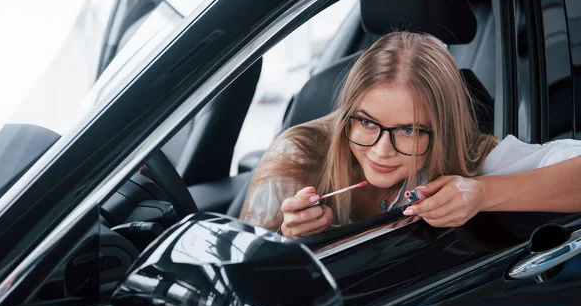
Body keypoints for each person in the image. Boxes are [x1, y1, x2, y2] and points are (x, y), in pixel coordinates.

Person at [240, 32, 581, 239]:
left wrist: (481, 193)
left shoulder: (471, 159)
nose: (380, 151)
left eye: (408, 130)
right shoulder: (297, 155)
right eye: (367, 123)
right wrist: (290, 238)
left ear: (442, 129)